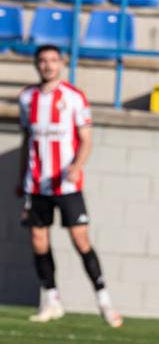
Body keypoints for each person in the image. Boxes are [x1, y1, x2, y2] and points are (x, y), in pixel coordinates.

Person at [17, 45, 121, 328]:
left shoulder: (74, 98)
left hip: (66, 185)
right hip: (36, 185)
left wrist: (77, 166)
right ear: (37, 64)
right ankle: (52, 300)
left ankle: (104, 300)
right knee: (38, 241)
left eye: (53, 60)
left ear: (61, 63)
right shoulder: (27, 98)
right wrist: (20, 177)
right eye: (43, 61)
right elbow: (27, 141)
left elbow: (86, 138)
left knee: (80, 240)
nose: (48, 66)